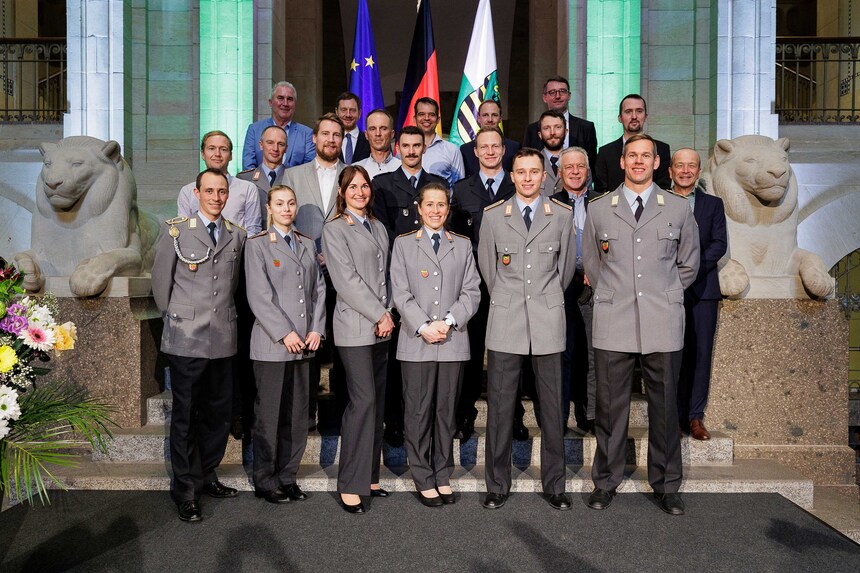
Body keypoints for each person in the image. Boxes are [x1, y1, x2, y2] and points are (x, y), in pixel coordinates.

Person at [583, 134, 700, 516]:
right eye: (631, 155)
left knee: (665, 410)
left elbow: (688, 264)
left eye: (645, 156)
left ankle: (666, 485)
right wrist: (621, 294)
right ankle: (605, 481)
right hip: (613, 320)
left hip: (662, 321)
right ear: (621, 161)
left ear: (656, 163)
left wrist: (659, 293)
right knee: (610, 410)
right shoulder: (599, 209)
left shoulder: (679, 209)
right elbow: (593, 267)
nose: (637, 161)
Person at [477, 148, 577, 511]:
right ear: (512, 175)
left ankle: (554, 484)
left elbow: (565, 272)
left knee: (552, 409)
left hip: (548, 321)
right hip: (506, 321)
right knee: (501, 409)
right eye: (521, 172)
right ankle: (498, 483)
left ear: (544, 176)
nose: (528, 178)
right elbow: (489, 272)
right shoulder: (493, 217)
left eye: (535, 172)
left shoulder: (562, 216)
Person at [152, 168, 248, 522]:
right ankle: (186, 489)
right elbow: (161, 285)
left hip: (222, 336)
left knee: (218, 415)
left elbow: (232, 284)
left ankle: (207, 473)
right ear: (196, 193)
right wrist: (178, 318)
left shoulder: (236, 235)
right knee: (185, 416)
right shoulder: (175, 230)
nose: (216, 197)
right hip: (186, 338)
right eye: (209, 191)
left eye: (221, 191)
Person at [390, 183, 481, 507]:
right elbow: (400, 293)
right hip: (417, 341)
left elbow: (473, 291)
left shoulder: (462, 244)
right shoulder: (403, 245)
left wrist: (450, 320)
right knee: (417, 412)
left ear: (448, 208)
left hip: (452, 340)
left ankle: (442, 473)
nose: (435, 210)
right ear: (419, 207)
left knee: (446, 412)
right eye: (430, 204)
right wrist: (426, 325)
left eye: (441, 205)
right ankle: (423, 476)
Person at [244, 185, 326, 504]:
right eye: (280, 203)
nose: (287, 208)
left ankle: (288, 476)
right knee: (269, 415)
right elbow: (259, 296)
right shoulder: (258, 245)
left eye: (291, 203)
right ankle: (265, 480)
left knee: (297, 415)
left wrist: (317, 329)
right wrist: (284, 332)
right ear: (269, 207)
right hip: (272, 344)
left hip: (305, 343)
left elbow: (318, 291)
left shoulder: (306, 243)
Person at [322, 165, 394, 513]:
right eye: (353, 187)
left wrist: (390, 312)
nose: (360, 192)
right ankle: (350, 483)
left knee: (377, 404)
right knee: (362, 402)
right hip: (355, 328)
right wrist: (379, 313)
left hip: (382, 328)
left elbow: (387, 276)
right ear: (342, 191)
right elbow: (346, 281)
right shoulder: (334, 229)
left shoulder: (378, 226)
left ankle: (370, 477)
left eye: (365, 186)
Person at [372, 125, 447, 446]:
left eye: (418, 145)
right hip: (397, 281)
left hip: (432, 288)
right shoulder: (383, 184)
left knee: (427, 357)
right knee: (395, 357)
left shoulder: (439, 185)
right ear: (397, 147)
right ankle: (396, 422)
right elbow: (382, 235)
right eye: (406, 145)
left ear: (424, 148)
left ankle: (427, 422)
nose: (412, 150)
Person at [449, 126, 517, 441]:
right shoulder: (461, 191)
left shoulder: (518, 186)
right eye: (483, 147)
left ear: (504, 150)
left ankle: (514, 416)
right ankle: (465, 416)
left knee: (511, 353)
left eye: (495, 146)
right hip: (473, 286)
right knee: (471, 354)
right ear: (475, 152)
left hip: (511, 284)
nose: (489, 152)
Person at [282, 113, 346, 430]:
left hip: (344, 277)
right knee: (308, 347)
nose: (330, 139)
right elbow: (283, 222)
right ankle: (305, 414)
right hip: (304, 275)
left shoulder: (353, 176)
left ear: (342, 140)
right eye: (325, 134)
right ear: (315, 139)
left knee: (344, 347)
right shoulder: (292, 175)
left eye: (336, 135)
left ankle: (340, 414)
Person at [669, 148, 727, 441]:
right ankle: (675, 416)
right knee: (672, 353)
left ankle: (695, 417)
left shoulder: (713, 205)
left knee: (701, 354)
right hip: (667, 291)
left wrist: (689, 271)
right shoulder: (660, 202)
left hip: (703, 290)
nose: (686, 170)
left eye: (691, 166)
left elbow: (719, 245)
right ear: (670, 171)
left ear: (699, 171)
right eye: (680, 165)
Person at [550, 146, 596, 433]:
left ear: (588, 171)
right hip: (561, 286)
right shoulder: (550, 205)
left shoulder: (603, 203)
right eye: (570, 167)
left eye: (581, 166)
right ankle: (560, 416)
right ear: (560, 172)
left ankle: (589, 414)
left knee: (593, 352)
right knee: (563, 353)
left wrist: (597, 271)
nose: (576, 171)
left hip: (595, 284)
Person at [178, 130, 262, 235]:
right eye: (211, 148)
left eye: (223, 149)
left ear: (230, 156)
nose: (217, 154)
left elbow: (253, 231)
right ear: (203, 154)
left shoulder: (248, 189)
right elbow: (183, 232)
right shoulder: (187, 191)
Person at [593, 94, 671, 195]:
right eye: (628, 112)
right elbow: (601, 192)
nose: (634, 116)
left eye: (639, 111)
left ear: (645, 116)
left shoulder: (662, 149)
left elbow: (663, 189)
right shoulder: (605, 152)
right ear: (620, 118)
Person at [522, 76, 597, 169]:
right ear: (545, 97)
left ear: (569, 96)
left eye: (562, 91)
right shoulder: (532, 130)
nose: (557, 96)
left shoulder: (586, 127)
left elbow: (592, 166)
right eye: (552, 92)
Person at [242, 81, 315, 170]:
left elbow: (308, 169)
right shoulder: (254, 130)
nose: (285, 103)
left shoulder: (307, 134)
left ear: (294, 104)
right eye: (280, 98)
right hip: (258, 183)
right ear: (270, 103)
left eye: (290, 99)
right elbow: (248, 167)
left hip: (294, 184)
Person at [237, 125, 289, 232]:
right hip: (254, 241)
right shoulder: (244, 178)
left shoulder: (294, 177)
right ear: (261, 145)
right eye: (270, 143)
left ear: (286, 148)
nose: (275, 148)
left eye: (281, 144)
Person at [459, 100, 520, 177]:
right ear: (478, 118)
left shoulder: (514, 147)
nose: (490, 119)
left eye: (494, 115)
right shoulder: (465, 150)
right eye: (485, 115)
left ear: (500, 118)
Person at [414, 97, 465, 185]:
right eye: (421, 114)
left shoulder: (452, 150)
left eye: (431, 114)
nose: (426, 118)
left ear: (438, 119)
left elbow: (460, 187)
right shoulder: (405, 150)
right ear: (415, 119)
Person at [353, 108, 401, 179]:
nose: (378, 134)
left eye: (383, 128)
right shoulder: (354, 170)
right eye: (372, 129)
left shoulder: (404, 169)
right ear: (366, 135)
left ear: (392, 134)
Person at [335, 91, 370, 164]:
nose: (348, 115)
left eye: (352, 110)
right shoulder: (330, 140)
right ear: (337, 112)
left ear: (359, 113)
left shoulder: (369, 140)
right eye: (343, 110)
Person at [537, 110, 567, 196]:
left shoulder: (579, 162)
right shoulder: (531, 163)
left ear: (566, 132)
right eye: (546, 128)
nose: (552, 133)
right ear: (540, 134)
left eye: (557, 127)